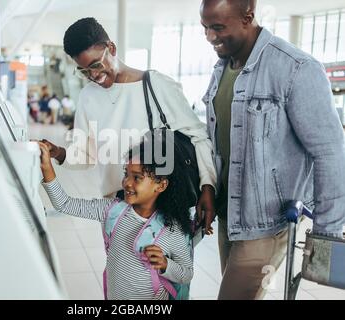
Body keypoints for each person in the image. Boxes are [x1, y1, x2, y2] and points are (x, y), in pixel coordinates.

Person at [200, 0, 345, 299]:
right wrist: (209, 190)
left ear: (248, 17)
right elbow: (220, 142)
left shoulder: (296, 68)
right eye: (205, 28)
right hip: (230, 214)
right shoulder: (222, 68)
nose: (210, 37)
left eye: (217, 27)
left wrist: (327, 234)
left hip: (266, 224)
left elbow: (330, 151)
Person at [42, 17, 216, 230]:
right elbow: (85, 155)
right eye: (85, 71)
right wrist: (57, 152)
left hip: (162, 212)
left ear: (111, 48)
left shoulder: (157, 86)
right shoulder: (88, 96)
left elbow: (197, 137)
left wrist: (208, 186)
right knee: (120, 264)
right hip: (117, 211)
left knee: (168, 264)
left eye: (96, 65)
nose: (94, 75)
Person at [38, 133, 194, 300]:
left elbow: (186, 274)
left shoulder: (172, 230)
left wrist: (165, 264)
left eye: (137, 178)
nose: (127, 182)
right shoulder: (112, 211)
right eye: (126, 174)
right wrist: (47, 167)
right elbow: (64, 204)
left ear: (161, 185)